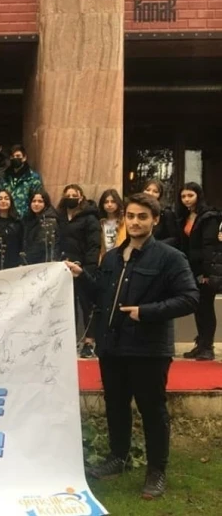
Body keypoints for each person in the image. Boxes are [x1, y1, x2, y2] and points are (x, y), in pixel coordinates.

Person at [66, 193, 199, 500]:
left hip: (148, 349)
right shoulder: (112, 257)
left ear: (155, 220)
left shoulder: (170, 257)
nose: (135, 222)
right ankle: (118, 457)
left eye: (142, 217)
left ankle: (156, 471)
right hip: (112, 346)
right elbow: (101, 294)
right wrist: (81, 276)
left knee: (152, 410)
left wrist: (147, 311)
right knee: (115, 405)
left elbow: (189, 298)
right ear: (124, 219)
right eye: (131, 216)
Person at [57, 184, 102, 358]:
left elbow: (94, 244)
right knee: (69, 305)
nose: (70, 198)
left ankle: (89, 342)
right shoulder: (60, 216)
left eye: (74, 195)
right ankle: (71, 339)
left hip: (83, 267)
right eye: (67, 195)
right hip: (64, 267)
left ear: (81, 197)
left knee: (86, 304)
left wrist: (88, 267)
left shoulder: (90, 218)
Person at [177, 182, 220, 361]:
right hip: (192, 268)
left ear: (198, 196)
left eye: (190, 195)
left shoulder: (208, 216)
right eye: (183, 196)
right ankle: (201, 343)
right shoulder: (186, 216)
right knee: (198, 307)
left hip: (205, 270)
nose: (186, 199)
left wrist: (207, 273)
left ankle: (207, 347)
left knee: (206, 308)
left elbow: (209, 246)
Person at [0, 144, 43, 219]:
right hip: (8, 218)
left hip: (26, 219)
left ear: (24, 158)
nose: (15, 158)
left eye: (18, 156)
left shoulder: (33, 178)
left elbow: (37, 199)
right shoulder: (5, 177)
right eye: (13, 156)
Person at [0, 189, 23, 270]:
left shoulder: (18, 222)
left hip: (14, 266)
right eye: (0, 199)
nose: (3, 201)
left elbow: (22, 245)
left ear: (11, 202)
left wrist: (21, 262)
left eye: (6, 198)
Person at [22, 190, 61, 264]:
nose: (36, 204)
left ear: (46, 203)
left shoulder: (49, 220)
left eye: (40, 201)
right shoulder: (30, 218)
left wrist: (24, 260)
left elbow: (40, 246)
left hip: (44, 262)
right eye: (34, 201)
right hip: (34, 261)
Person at [142, 179, 179, 247]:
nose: (150, 193)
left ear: (160, 195)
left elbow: (174, 239)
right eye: (148, 190)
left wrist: (155, 245)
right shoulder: (138, 211)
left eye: (155, 191)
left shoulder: (166, 213)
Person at [98, 189, 127, 261]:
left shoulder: (124, 221)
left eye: (113, 202)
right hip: (104, 258)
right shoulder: (100, 222)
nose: (109, 205)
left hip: (120, 258)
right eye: (106, 202)